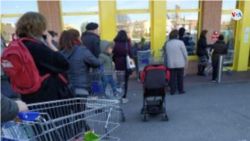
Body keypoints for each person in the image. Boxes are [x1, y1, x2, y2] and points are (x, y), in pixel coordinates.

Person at [15, 12, 71, 104]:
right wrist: (50, 44)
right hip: (47, 96)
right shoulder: (36, 47)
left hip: (27, 94)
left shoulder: (19, 45)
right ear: (40, 27)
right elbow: (64, 64)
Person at [59, 29, 100, 97]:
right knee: (81, 107)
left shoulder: (61, 52)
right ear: (77, 37)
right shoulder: (81, 49)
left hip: (66, 89)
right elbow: (96, 63)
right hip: (81, 88)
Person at [113, 30, 133, 103]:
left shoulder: (114, 43)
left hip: (118, 63)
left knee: (119, 81)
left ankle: (118, 96)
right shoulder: (127, 43)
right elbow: (131, 54)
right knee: (125, 81)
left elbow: (112, 53)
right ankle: (124, 97)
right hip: (126, 63)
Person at [165, 30, 188, 95]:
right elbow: (185, 53)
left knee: (172, 78)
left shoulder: (167, 43)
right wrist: (186, 61)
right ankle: (180, 90)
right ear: (177, 35)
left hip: (171, 63)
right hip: (180, 63)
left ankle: (172, 91)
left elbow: (166, 53)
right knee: (180, 77)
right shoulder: (180, 42)